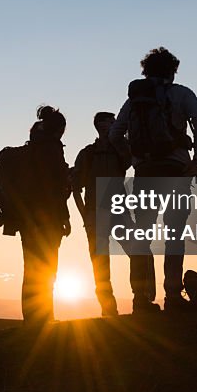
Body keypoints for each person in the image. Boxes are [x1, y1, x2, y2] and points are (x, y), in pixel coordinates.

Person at [109, 48, 197, 313]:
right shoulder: (182, 94)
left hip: (145, 172)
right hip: (177, 170)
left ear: (146, 70)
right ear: (172, 70)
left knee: (141, 235)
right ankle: (173, 296)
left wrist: (133, 156)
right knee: (174, 234)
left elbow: (115, 133)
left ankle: (140, 298)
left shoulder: (134, 101)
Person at [0, 106, 72, 325]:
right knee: (47, 270)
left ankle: (32, 318)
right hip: (48, 220)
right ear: (60, 130)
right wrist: (64, 218)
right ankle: (45, 317)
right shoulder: (52, 150)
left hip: (26, 220)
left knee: (31, 268)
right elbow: (56, 189)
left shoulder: (27, 151)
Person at [71, 112, 129, 317]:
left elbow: (134, 159)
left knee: (139, 251)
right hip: (96, 213)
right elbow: (75, 187)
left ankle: (143, 298)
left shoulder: (122, 149)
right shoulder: (87, 154)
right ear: (99, 126)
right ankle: (108, 307)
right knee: (100, 262)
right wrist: (84, 215)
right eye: (108, 123)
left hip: (119, 209)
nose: (112, 126)